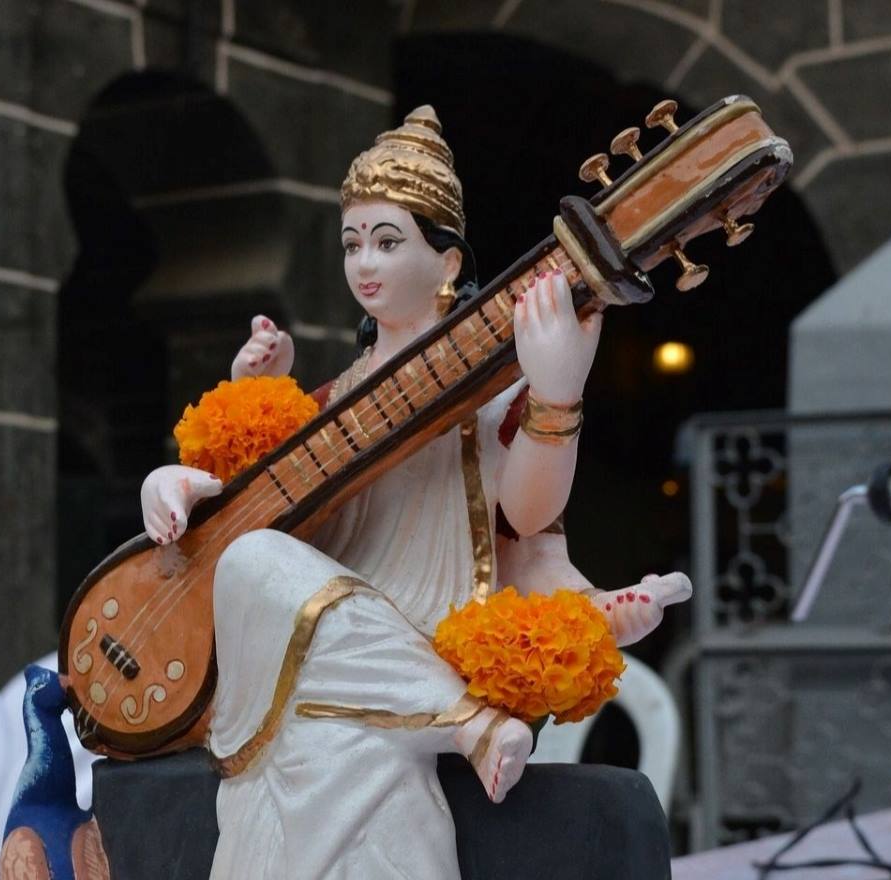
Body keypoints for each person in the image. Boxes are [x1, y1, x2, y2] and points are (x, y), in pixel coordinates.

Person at [139, 106, 687, 879]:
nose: (365, 263)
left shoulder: (495, 388)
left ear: (449, 262)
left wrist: (557, 393)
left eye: (389, 242)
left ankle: (443, 712)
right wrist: (180, 480)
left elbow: (529, 520)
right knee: (252, 559)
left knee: (342, 750)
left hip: (428, 635)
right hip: (320, 656)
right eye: (353, 243)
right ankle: (463, 724)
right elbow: (260, 521)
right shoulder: (333, 400)